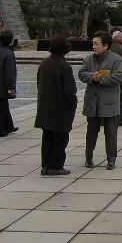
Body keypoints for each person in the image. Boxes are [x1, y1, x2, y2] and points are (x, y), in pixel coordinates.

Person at [79, 30, 122, 170]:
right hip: (92, 102)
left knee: (111, 133)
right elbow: (81, 73)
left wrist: (103, 79)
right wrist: (92, 77)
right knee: (91, 132)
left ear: (105, 46)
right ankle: (88, 157)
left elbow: (119, 76)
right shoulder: (88, 59)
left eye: (96, 44)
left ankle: (111, 159)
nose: (94, 47)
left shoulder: (116, 59)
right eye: (93, 44)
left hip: (109, 102)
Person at [34, 34, 77, 176]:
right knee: (60, 139)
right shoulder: (64, 66)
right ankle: (56, 166)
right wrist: (73, 104)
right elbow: (70, 90)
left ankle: (45, 166)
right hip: (60, 109)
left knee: (47, 138)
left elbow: (38, 83)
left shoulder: (44, 63)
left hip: (45, 107)